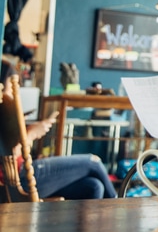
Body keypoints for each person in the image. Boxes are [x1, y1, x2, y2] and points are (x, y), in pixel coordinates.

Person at [1, 58, 117, 199]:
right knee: (94, 162)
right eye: (11, 87)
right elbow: (8, 156)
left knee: (94, 186)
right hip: (19, 179)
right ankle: (121, 209)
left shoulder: (6, 111)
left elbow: (12, 152)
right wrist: (30, 134)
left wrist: (29, 132)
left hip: (24, 171)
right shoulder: (4, 109)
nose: (14, 94)